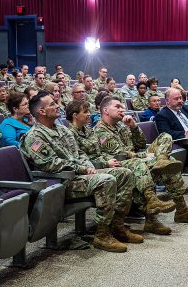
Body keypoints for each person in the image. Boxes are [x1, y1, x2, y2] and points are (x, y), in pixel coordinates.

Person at [21, 91, 140, 252]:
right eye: (52, 104)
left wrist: (88, 166)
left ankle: (117, 226)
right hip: (61, 182)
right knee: (106, 180)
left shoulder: (62, 130)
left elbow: (79, 153)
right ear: (41, 112)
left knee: (125, 173)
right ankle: (102, 235)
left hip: (79, 177)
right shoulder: (34, 136)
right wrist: (83, 168)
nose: (57, 106)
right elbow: (51, 165)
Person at [94, 96, 188, 233]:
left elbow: (141, 144)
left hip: (137, 159)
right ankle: (155, 219)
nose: (122, 110)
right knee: (164, 166)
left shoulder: (121, 126)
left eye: (122, 107)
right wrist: (145, 156)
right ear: (105, 110)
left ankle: (181, 209)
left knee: (165, 137)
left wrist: (134, 127)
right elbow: (121, 154)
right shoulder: (100, 130)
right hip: (122, 164)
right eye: (117, 107)